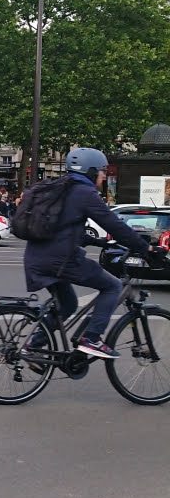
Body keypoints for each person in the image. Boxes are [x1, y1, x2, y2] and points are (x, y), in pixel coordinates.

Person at [23, 148, 157, 358]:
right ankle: (91, 338)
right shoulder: (84, 193)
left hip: (36, 258)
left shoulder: (59, 189)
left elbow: (62, 227)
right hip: (61, 261)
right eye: (103, 172)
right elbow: (114, 224)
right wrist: (146, 248)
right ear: (92, 171)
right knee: (112, 285)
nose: (104, 177)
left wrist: (97, 242)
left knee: (68, 305)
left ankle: (33, 347)